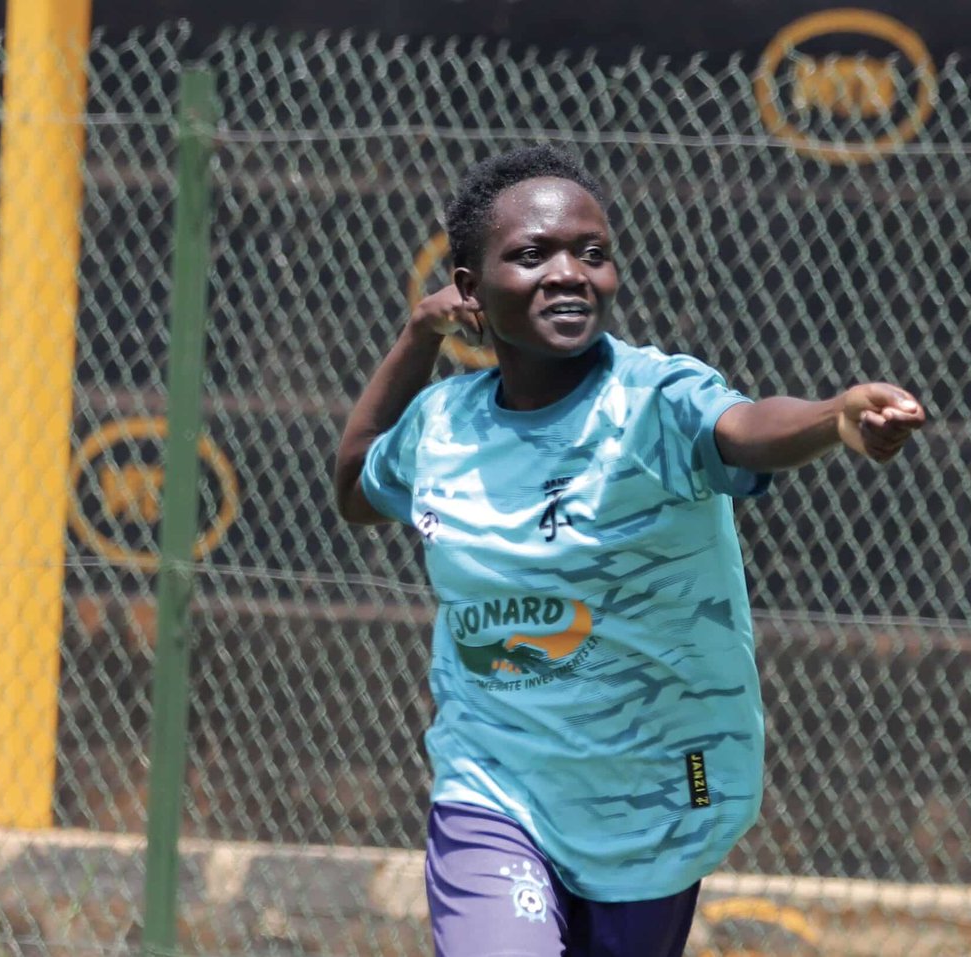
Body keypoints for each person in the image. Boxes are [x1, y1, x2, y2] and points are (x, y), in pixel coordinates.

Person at [333, 144, 924, 957]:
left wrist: (832, 420)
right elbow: (356, 484)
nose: (570, 271)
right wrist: (417, 335)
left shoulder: (655, 400)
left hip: (658, 785)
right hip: (494, 784)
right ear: (470, 288)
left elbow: (745, 429)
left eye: (592, 252)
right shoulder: (442, 427)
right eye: (533, 254)